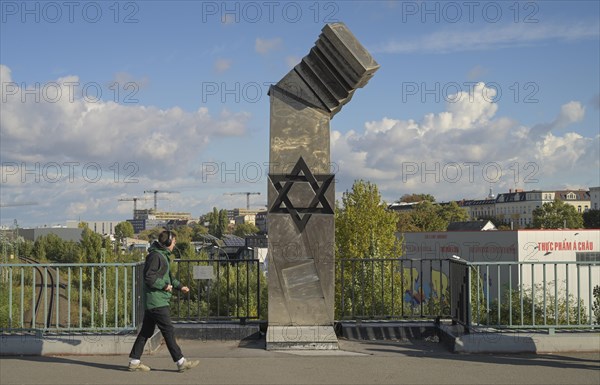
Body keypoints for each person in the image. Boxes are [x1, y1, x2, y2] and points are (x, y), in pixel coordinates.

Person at [128, 230, 199, 372]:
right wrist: (165, 286)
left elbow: (169, 277)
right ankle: (181, 362)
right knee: (168, 331)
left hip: (154, 300)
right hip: (157, 301)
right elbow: (149, 277)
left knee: (145, 332)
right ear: (167, 243)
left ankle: (134, 361)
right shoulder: (156, 256)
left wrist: (180, 287)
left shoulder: (162, 256)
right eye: (174, 242)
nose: (175, 244)